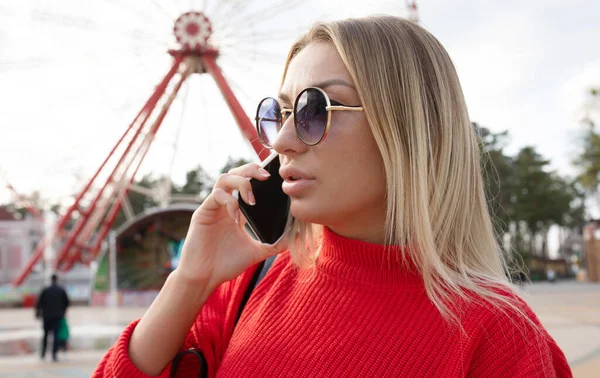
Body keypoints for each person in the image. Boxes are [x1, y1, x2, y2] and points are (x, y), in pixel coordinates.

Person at [94, 16, 572, 377]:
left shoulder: (499, 337)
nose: (279, 141)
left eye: (314, 109)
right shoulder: (248, 284)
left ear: (409, 129)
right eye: (278, 112)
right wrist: (190, 280)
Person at [35, 273, 70, 361]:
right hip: (57, 316)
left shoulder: (45, 290)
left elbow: (39, 303)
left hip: (46, 316)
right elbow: (67, 303)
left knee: (45, 335)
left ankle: (43, 353)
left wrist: (37, 313)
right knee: (55, 336)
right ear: (57, 279)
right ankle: (54, 354)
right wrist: (63, 312)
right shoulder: (61, 290)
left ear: (51, 280)